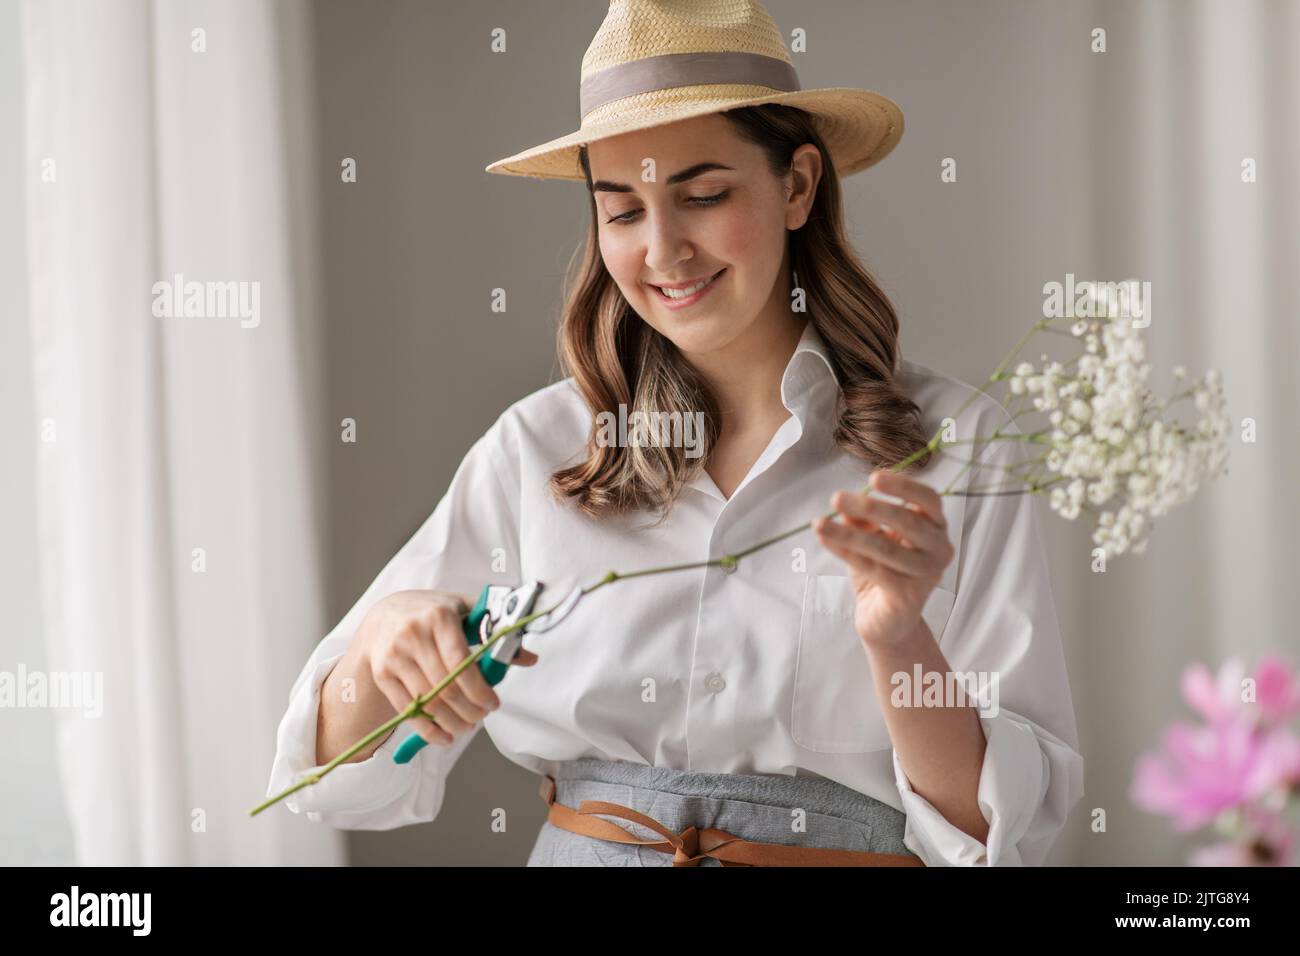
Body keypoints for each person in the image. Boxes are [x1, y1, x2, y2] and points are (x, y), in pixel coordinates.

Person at [265, 0, 1084, 866]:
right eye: (621, 212)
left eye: (702, 196)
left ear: (798, 186)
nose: (663, 252)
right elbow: (330, 777)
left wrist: (896, 638)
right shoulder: (535, 449)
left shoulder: (955, 447)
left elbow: (999, 836)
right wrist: (381, 635)